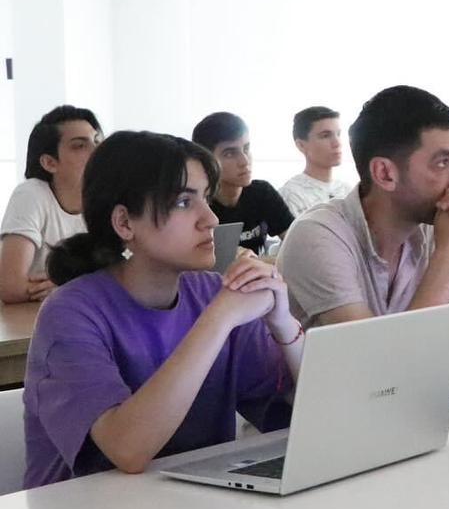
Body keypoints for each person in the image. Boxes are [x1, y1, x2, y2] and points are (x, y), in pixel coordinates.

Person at [23, 131, 300, 488]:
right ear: (124, 223)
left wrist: (282, 323)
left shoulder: (214, 292)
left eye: (206, 198)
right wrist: (219, 318)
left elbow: (300, 418)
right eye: (184, 203)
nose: (211, 219)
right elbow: (129, 450)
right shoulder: (69, 313)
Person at [275, 86, 449, 374]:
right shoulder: (318, 236)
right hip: (325, 417)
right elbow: (385, 379)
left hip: (407, 413)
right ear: (385, 173)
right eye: (442, 162)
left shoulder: (434, 229)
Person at [0, 105, 103, 304]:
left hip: (84, 314)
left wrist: (66, 287)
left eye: (97, 141)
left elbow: (126, 277)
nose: (96, 150)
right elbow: (10, 286)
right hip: (32, 323)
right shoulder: (31, 194)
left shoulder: (110, 200)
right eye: (80, 145)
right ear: (49, 163)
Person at [191, 112, 294, 257]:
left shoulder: (262, 192)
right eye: (229, 153)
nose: (245, 161)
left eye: (246, 149)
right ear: (206, 161)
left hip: (260, 275)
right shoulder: (197, 204)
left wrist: (261, 264)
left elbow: (299, 246)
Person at [278, 106, 352, 217]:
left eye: (338, 134)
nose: (337, 143)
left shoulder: (347, 190)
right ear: (301, 145)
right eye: (326, 136)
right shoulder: (291, 195)